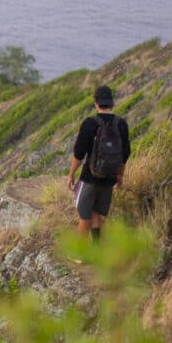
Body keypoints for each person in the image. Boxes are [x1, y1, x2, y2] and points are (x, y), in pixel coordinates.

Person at [66, 85, 130, 241]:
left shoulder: (90, 123)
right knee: (96, 212)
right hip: (109, 177)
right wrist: (120, 176)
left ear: (96, 103)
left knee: (84, 215)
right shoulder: (121, 123)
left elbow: (79, 153)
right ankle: (95, 249)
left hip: (90, 177)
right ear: (111, 103)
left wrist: (71, 175)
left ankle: (79, 252)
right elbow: (125, 153)